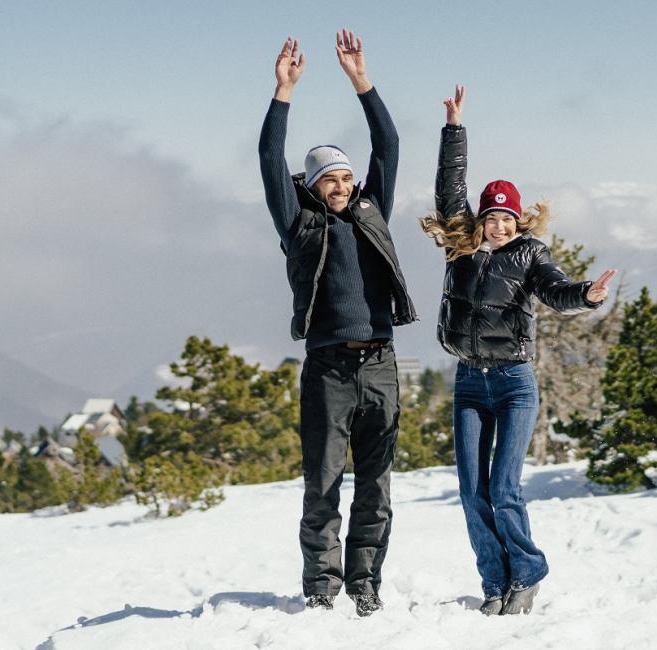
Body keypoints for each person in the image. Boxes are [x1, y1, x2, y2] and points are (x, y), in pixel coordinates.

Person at [421, 85, 616, 616]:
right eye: (492, 217)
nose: (500, 224)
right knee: (471, 491)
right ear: (481, 220)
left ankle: (526, 574)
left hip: (512, 384)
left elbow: (556, 288)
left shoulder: (529, 254)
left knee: (503, 487)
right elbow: (449, 187)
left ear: (519, 219)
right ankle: (493, 582)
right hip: (468, 382)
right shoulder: (462, 250)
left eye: (508, 216)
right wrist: (454, 127)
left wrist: (585, 295)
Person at [258, 31, 417, 617]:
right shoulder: (299, 227)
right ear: (313, 186)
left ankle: (364, 581)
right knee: (322, 486)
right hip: (328, 369)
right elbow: (269, 162)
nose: (344, 187)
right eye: (331, 180)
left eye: (347, 178)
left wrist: (361, 82)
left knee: (376, 486)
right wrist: (284, 93)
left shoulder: (373, 212)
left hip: (380, 364)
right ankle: (321, 587)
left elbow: (390, 145)